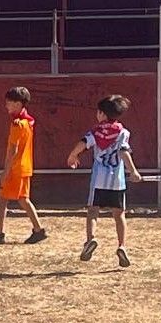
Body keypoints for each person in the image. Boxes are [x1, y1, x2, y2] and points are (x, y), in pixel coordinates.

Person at [66, 95, 143, 266]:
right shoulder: (123, 133)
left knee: (93, 211)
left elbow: (84, 143)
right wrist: (133, 171)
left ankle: (90, 240)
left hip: (98, 179)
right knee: (119, 214)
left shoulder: (96, 131)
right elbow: (124, 153)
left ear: (101, 113)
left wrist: (73, 155)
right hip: (117, 181)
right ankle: (122, 246)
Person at [0, 86, 46, 245]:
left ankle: (0, 233)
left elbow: (13, 149)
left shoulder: (18, 124)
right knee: (20, 199)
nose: (6, 105)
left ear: (18, 104)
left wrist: (5, 170)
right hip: (24, 167)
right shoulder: (28, 122)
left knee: (5, 199)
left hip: (15, 168)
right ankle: (37, 230)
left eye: (9, 102)